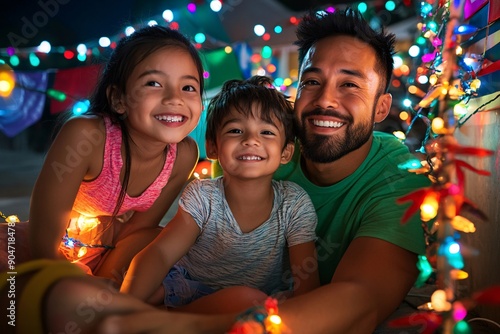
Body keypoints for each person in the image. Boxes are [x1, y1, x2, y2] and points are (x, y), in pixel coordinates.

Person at [1, 9, 429, 334]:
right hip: (170, 280)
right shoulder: (265, 146)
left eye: (350, 84)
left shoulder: (394, 175)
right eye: (311, 82)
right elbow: (155, 241)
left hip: (251, 308)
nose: (324, 101)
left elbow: (364, 300)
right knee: (41, 267)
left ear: (382, 108)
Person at [121, 75, 319, 313]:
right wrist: (127, 306)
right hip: (189, 289)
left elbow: (306, 285)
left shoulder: (294, 204)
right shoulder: (203, 196)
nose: (251, 141)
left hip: (255, 304)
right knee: (138, 283)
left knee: (248, 301)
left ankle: (166, 323)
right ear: (213, 147)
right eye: (236, 130)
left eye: (266, 132)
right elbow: (161, 253)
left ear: (286, 152)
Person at [26, 25, 205, 282]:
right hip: (56, 250)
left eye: (188, 87)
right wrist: (77, 284)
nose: (174, 98)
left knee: (164, 241)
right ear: (119, 99)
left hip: (111, 250)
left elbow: (137, 233)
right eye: (153, 83)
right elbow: (43, 243)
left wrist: (106, 283)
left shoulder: (185, 155)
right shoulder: (87, 136)